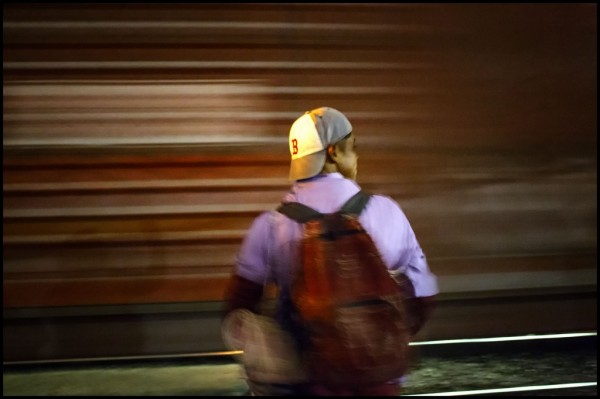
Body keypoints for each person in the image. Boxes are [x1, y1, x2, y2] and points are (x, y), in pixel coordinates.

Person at [223, 106, 438, 396]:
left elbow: (238, 309)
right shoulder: (387, 212)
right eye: (354, 147)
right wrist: (379, 340)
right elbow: (424, 294)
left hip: (309, 384)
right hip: (379, 385)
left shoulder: (271, 226)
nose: (357, 156)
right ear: (334, 152)